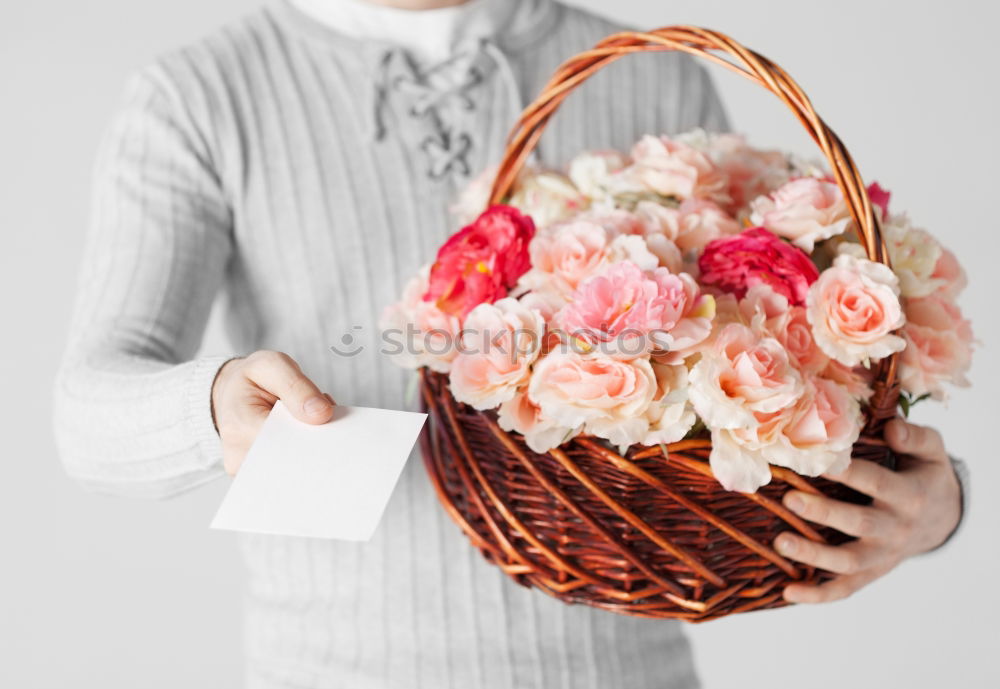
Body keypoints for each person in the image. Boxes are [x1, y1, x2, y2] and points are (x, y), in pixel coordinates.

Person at [54, 0, 966, 687]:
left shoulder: (646, 70)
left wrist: (931, 507)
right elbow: (87, 411)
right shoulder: (200, 94)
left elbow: (757, 384)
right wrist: (210, 406)